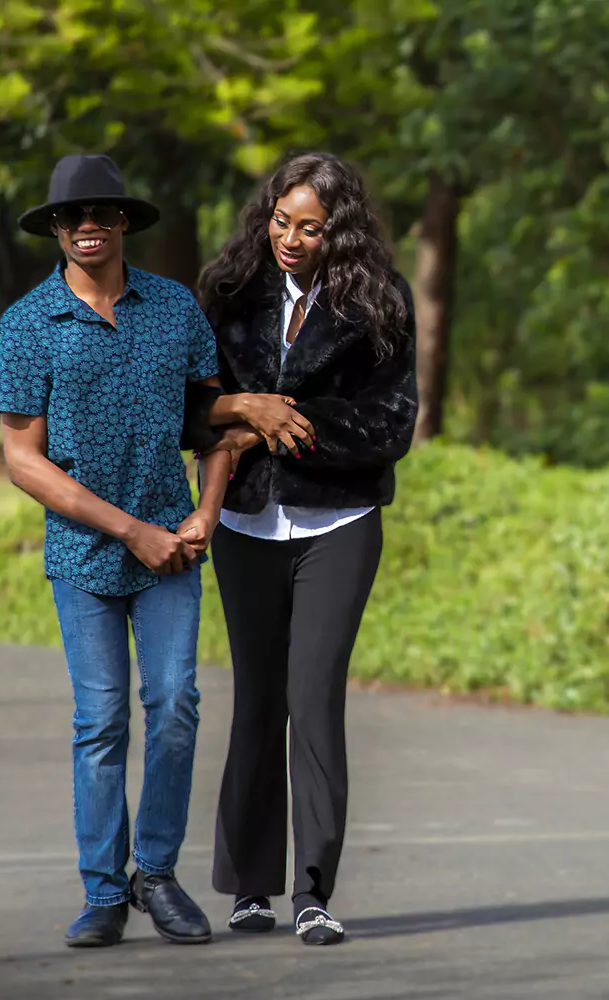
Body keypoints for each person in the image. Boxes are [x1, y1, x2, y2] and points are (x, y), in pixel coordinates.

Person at [0, 154, 231, 948]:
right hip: (88, 558)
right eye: (69, 218)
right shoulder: (29, 323)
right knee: (99, 722)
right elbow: (23, 459)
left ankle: (155, 876)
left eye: (100, 213)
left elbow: (211, 424)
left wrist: (205, 513)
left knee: (174, 708)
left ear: (124, 220)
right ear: (54, 230)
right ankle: (102, 891)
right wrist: (130, 529)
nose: (85, 227)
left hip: (172, 550)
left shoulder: (174, 309)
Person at [195, 152, 418, 945]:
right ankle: (250, 887)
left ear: (339, 231)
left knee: (314, 700)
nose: (290, 239)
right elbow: (192, 411)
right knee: (257, 699)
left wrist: (292, 426)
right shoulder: (225, 295)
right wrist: (244, 410)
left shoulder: (380, 303)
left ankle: (314, 892)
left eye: (311, 228)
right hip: (245, 524)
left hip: (339, 524)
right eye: (281, 222)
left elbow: (392, 424)